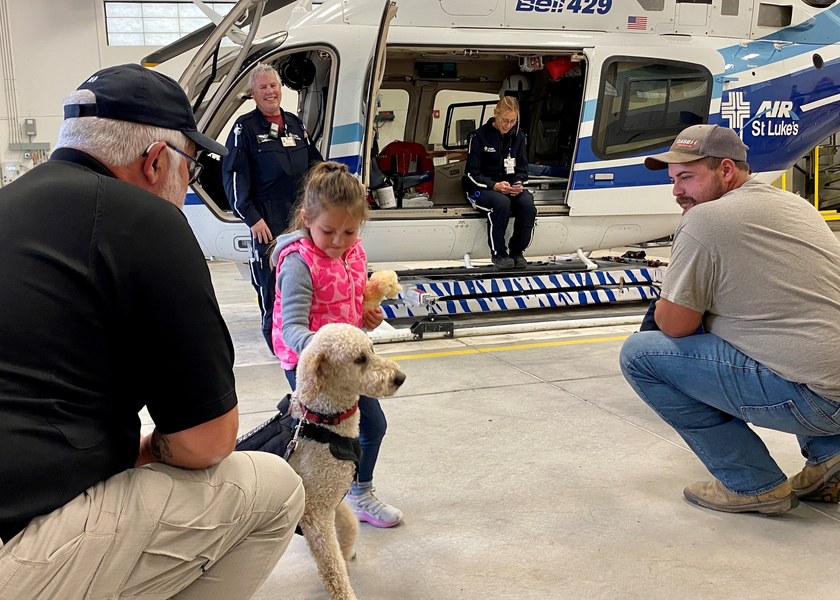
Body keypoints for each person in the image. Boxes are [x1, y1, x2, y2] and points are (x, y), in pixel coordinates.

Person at [0, 64, 305, 599]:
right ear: (156, 160)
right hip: (15, 554)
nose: (188, 184)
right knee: (275, 490)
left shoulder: (12, 205)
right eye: (189, 168)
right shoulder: (144, 219)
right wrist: (143, 448)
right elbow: (206, 440)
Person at [620, 123, 840, 515]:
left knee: (641, 354)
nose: (677, 191)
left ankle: (752, 484)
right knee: (785, 335)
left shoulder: (707, 218)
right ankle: (831, 454)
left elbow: (675, 326)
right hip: (832, 388)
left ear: (726, 170)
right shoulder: (794, 204)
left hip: (820, 403)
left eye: (687, 177)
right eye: (673, 180)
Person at [271, 161, 403, 528]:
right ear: (306, 219)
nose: (338, 241)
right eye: (328, 231)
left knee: (372, 427)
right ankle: (321, 506)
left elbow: (353, 305)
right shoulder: (298, 263)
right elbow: (291, 327)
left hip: (349, 364)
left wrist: (366, 317)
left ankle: (358, 495)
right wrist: (325, 349)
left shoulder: (353, 253)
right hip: (312, 363)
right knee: (323, 443)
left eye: (349, 231)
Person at [223, 62, 323, 351]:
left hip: (301, 219)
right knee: (271, 284)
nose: (270, 92)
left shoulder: (295, 123)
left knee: (306, 278)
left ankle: (305, 338)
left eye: (274, 86)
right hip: (267, 222)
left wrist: (341, 184)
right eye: (263, 87)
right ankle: (277, 344)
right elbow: (233, 176)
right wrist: (252, 218)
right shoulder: (245, 128)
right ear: (253, 94)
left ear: (281, 90)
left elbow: (316, 164)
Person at [463, 96, 537, 270]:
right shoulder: (478, 136)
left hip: (508, 186)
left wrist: (518, 183)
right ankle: (499, 253)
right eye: (505, 120)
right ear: (495, 114)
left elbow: (522, 169)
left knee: (527, 203)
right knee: (501, 203)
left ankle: (517, 252)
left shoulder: (518, 136)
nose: (508, 125)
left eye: (512, 121)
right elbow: (471, 173)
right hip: (480, 188)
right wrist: (493, 185)